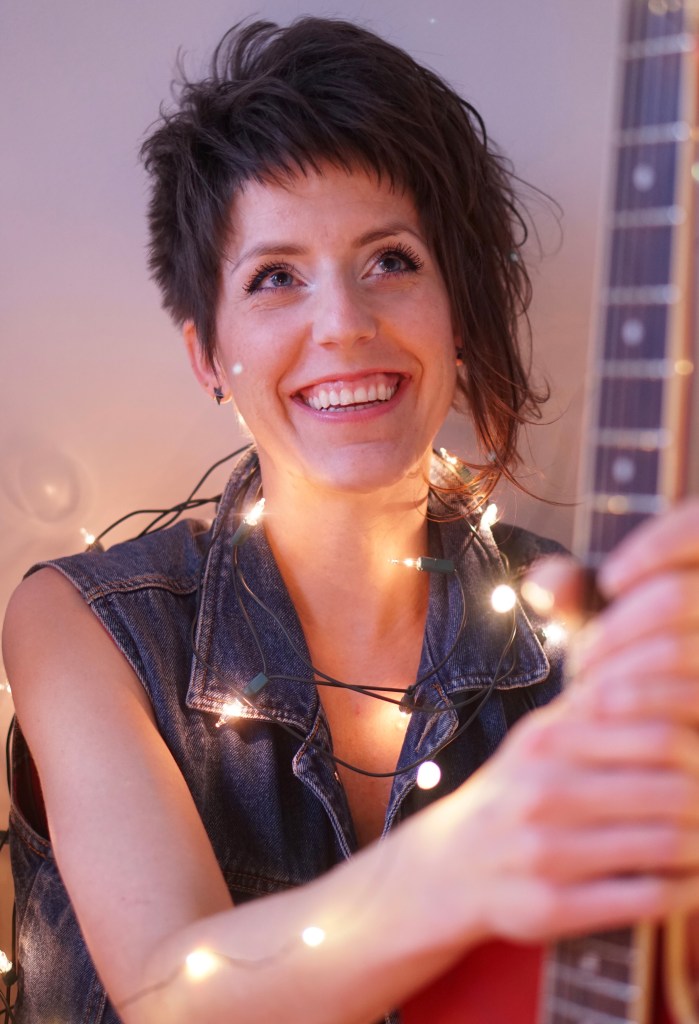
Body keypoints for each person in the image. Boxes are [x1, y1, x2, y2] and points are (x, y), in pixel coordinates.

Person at [4, 16, 699, 1024]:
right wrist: (471, 855)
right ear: (207, 356)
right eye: (275, 277)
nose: (343, 324)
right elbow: (167, 993)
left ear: (460, 315)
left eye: (392, 261)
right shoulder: (86, 624)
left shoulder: (580, 633)